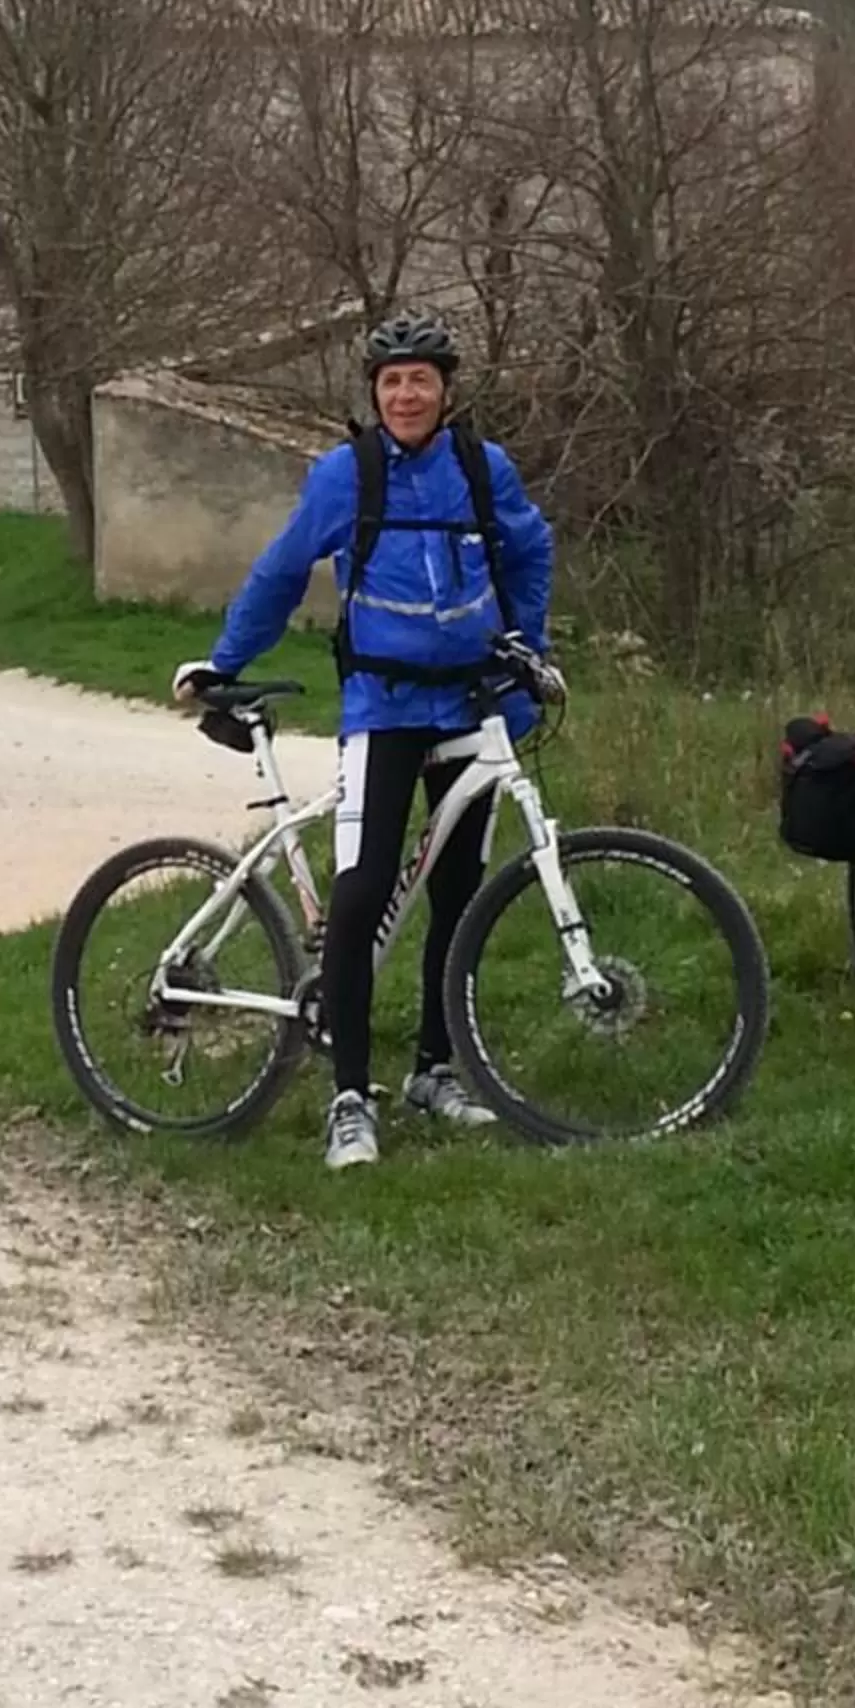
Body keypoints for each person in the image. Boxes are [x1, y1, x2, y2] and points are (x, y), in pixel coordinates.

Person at [174, 310, 555, 1171]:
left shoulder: (484, 471)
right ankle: (349, 1096)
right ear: (375, 396)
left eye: (421, 379)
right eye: (392, 382)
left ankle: (434, 1068)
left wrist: (529, 650)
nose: (407, 394)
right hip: (381, 708)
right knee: (363, 891)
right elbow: (281, 572)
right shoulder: (346, 477)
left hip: (467, 706)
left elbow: (531, 553)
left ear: (445, 391)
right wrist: (225, 660)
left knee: (457, 895)